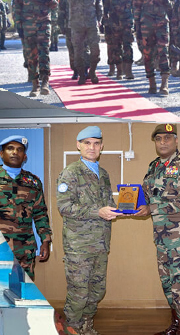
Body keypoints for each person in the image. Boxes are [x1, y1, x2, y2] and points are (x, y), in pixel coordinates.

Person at [135, 124, 180, 335]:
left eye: (167, 138)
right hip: (161, 236)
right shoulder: (154, 166)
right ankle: (174, 325)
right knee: (167, 284)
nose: (163, 142)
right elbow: (146, 193)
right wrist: (128, 202)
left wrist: (151, 208)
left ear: (176, 141)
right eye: (159, 139)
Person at [56, 126, 117, 335]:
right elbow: (64, 207)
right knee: (79, 292)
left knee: (97, 290)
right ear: (78, 146)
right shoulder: (70, 173)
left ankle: (86, 327)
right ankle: (71, 328)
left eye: (96, 143)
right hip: (79, 246)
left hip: (100, 243)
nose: (92, 147)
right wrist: (97, 212)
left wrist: (119, 210)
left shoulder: (104, 174)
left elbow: (107, 203)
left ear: (102, 147)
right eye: (87, 143)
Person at [0, 135, 52, 280]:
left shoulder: (33, 182)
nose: (15, 152)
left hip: (25, 249)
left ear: (25, 156)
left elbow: (40, 213)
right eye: (10, 148)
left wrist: (45, 241)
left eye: (19, 149)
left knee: (23, 290)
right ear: (1, 153)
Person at [12, 0, 59, 96]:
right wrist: (18, 23)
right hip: (28, 25)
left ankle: (45, 82)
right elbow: (16, 5)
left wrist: (52, 2)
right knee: (31, 56)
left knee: (44, 53)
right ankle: (35, 84)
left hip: (44, 23)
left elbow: (56, 3)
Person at [133, 0, 173, 95]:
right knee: (148, 54)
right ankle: (152, 83)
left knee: (164, 52)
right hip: (146, 25)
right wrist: (137, 27)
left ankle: (164, 84)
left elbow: (170, 5)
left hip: (162, 23)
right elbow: (137, 7)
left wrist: (171, 18)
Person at [59, 0, 103, 85]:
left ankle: (92, 72)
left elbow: (99, 4)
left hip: (92, 23)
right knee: (78, 52)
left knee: (95, 50)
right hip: (76, 24)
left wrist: (99, 19)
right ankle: (82, 74)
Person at [101, 0, 135, 80]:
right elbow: (104, 9)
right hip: (113, 24)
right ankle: (119, 71)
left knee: (128, 47)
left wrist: (135, 22)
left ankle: (128, 71)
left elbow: (135, 7)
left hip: (127, 24)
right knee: (116, 48)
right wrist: (106, 23)